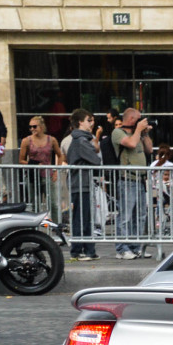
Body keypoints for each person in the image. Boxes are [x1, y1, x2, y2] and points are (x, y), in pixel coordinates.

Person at [111, 108, 153, 259]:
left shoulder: (139, 134)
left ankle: (136, 247)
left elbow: (149, 149)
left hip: (140, 180)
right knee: (126, 216)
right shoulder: (118, 132)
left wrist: (145, 133)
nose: (142, 122)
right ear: (131, 120)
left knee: (140, 216)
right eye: (139, 119)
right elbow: (131, 144)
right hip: (127, 180)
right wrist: (139, 131)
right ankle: (122, 248)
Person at [65, 108, 101, 261]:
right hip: (80, 184)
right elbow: (96, 160)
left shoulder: (81, 139)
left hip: (81, 183)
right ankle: (79, 251)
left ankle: (87, 250)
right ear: (80, 122)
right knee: (81, 218)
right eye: (88, 120)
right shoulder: (81, 141)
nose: (91, 123)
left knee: (85, 217)